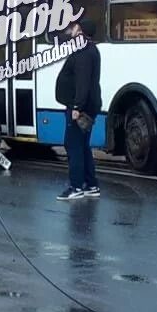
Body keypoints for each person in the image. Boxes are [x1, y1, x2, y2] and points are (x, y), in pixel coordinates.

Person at [54, 17, 102, 200]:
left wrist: (76, 107)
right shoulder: (92, 50)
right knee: (82, 146)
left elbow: (82, 82)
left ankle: (76, 187)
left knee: (73, 145)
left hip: (80, 107)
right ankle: (91, 184)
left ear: (80, 31)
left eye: (74, 28)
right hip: (89, 105)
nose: (71, 31)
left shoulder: (82, 52)